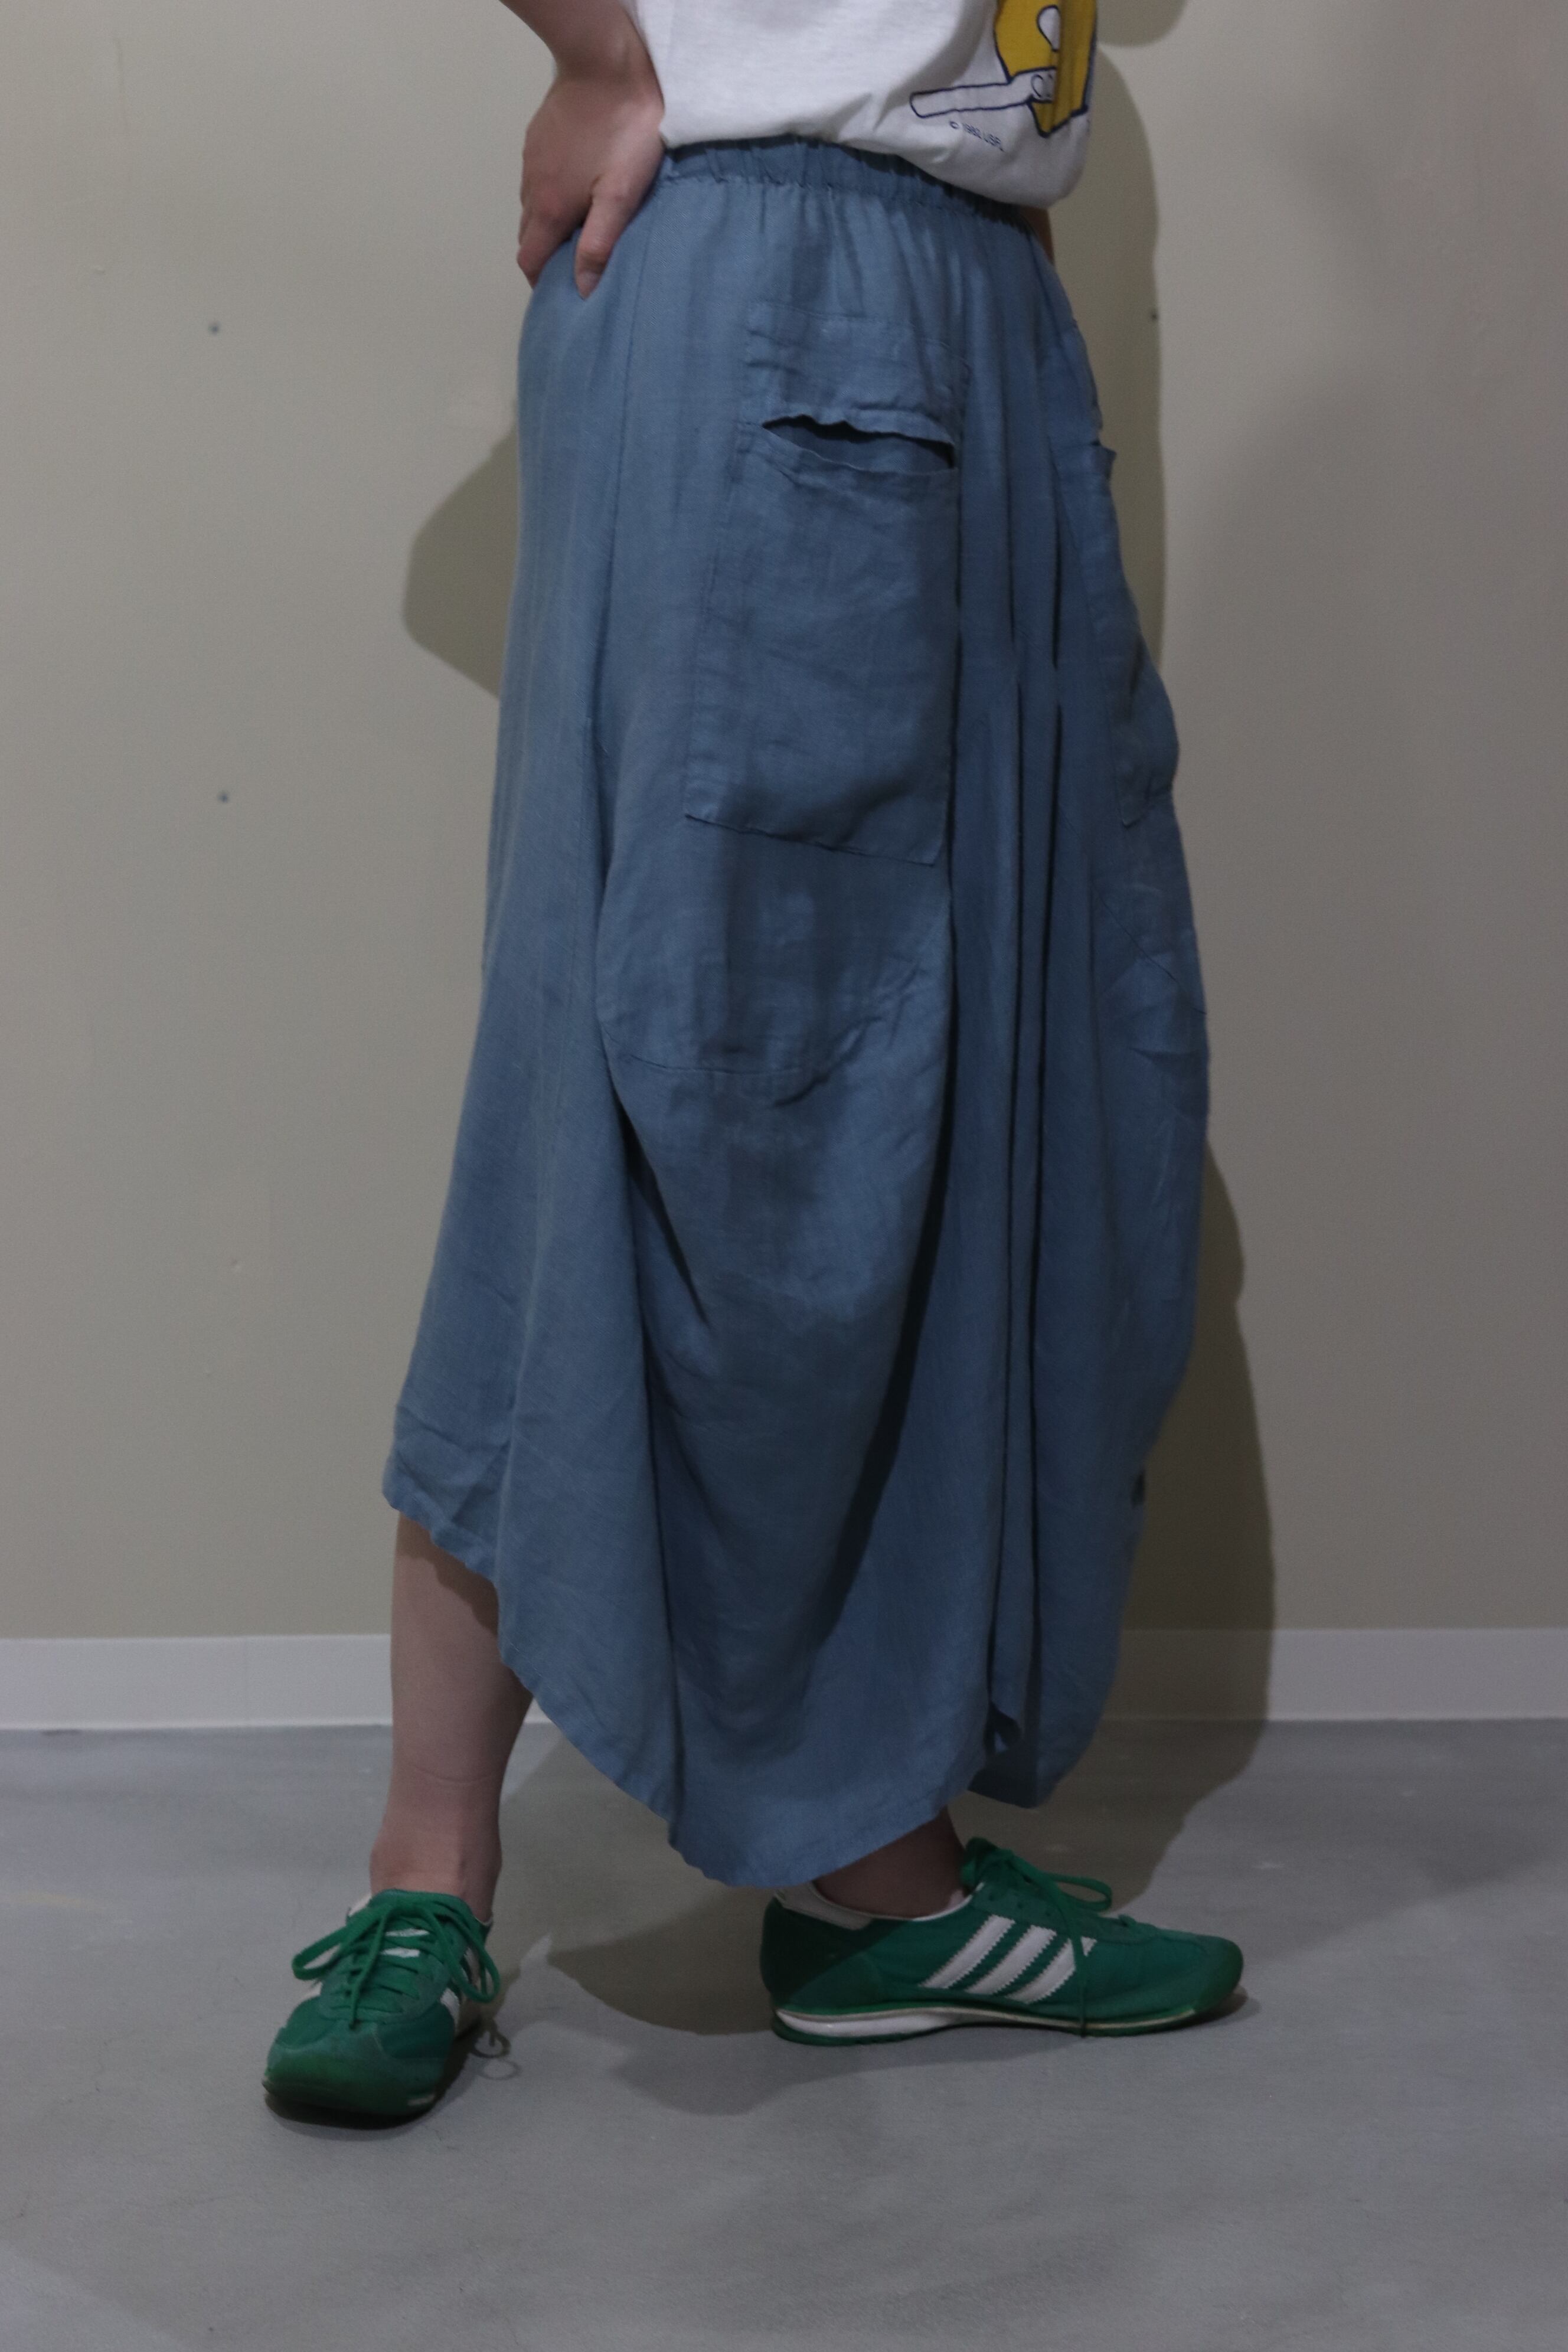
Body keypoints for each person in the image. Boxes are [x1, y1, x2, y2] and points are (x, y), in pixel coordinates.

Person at [264, 0, 1241, 2121]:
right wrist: (603, 60)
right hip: (796, 281)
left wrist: (992, 242)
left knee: (953, 1090)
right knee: (687, 1076)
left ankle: (874, 1872)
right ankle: (437, 1876)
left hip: (956, 302)